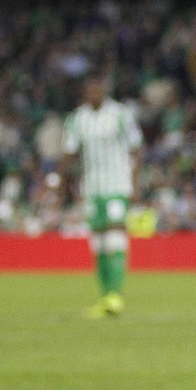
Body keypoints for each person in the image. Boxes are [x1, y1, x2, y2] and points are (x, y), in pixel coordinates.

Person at [64, 76, 142, 319]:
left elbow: (136, 148)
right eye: (90, 90)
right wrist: (60, 181)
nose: (94, 93)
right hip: (92, 188)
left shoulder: (120, 114)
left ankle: (115, 296)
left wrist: (134, 182)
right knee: (98, 242)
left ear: (104, 91)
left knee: (115, 235)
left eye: (98, 89)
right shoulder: (77, 119)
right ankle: (105, 295)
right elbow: (69, 152)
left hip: (117, 185)